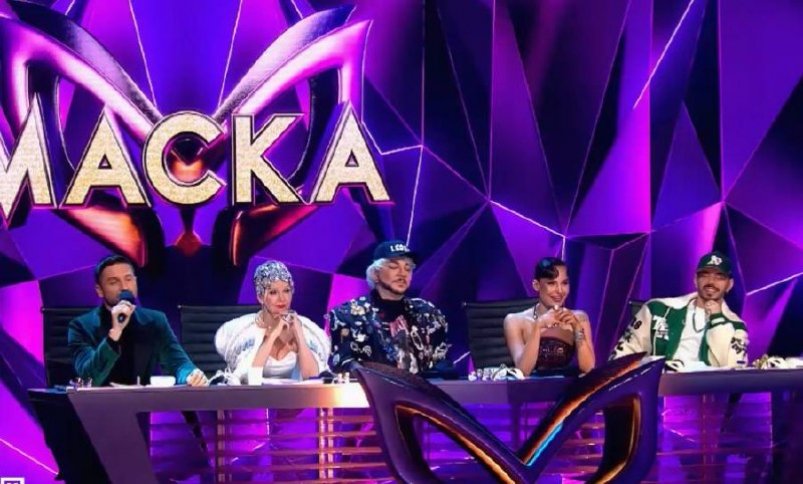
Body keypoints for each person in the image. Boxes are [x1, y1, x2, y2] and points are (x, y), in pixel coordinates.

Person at [68, 255, 207, 386]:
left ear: (136, 281)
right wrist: (115, 333)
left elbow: (177, 363)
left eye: (128, 279)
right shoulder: (81, 327)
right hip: (99, 401)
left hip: (143, 400)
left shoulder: (155, 321)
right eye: (113, 282)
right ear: (99, 290)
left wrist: (190, 375)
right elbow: (89, 379)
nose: (124, 287)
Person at [327, 240, 449, 374]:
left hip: (423, 387)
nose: (402, 273)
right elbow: (343, 364)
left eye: (408, 268)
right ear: (375, 274)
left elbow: (442, 365)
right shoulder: (347, 315)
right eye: (393, 266)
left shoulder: (428, 314)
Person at [611, 251, 748, 369]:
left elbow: (733, 370)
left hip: (705, 389)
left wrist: (717, 319)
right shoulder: (657, 309)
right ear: (695, 280)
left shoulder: (736, 326)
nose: (711, 282)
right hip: (660, 384)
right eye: (705, 275)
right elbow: (623, 356)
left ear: (729, 285)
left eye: (719, 277)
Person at [215, 260, 330, 382]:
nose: (282, 298)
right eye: (273, 292)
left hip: (296, 393)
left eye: (286, 291)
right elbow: (250, 379)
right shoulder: (244, 332)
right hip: (257, 394)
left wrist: (300, 336)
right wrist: (273, 335)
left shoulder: (309, 330)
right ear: (260, 297)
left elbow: (312, 378)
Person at [504, 257, 595, 375]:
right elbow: (523, 371)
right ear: (536, 285)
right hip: (530, 386)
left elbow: (588, 368)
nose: (560, 290)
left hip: (567, 385)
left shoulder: (580, 318)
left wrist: (577, 327)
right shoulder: (514, 321)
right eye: (552, 283)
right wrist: (537, 327)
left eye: (564, 283)